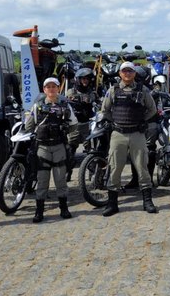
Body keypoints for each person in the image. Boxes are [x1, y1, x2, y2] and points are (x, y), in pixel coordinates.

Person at [100, 61, 159, 216]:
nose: (127, 74)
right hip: (118, 134)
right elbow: (105, 110)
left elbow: (152, 109)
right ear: (120, 73)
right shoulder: (113, 90)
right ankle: (112, 204)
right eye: (124, 71)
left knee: (142, 167)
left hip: (137, 134)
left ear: (134, 74)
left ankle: (147, 202)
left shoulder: (143, 90)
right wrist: (114, 121)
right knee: (115, 168)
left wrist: (142, 121)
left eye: (130, 71)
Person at [27, 77, 78, 223]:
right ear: (44, 90)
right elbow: (29, 125)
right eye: (48, 87)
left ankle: (64, 208)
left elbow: (74, 124)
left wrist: (65, 129)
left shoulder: (65, 106)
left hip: (59, 146)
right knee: (42, 180)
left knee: (60, 178)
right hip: (42, 147)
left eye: (54, 87)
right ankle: (39, 211)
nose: (51, 89)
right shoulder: (37, 106)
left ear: (58, 89)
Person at [65, 67, 98, 181]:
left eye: (87, 79)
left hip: (87, 124)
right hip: (74, 125)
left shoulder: (92, 93)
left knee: (90, 150)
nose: (85, 81)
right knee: (70, 150)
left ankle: (92, 174)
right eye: (83, 79)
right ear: (78, 79)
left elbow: (96, 102)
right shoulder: (71, 91)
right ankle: (67, 173)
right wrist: (79, 100)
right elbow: (68, 101)